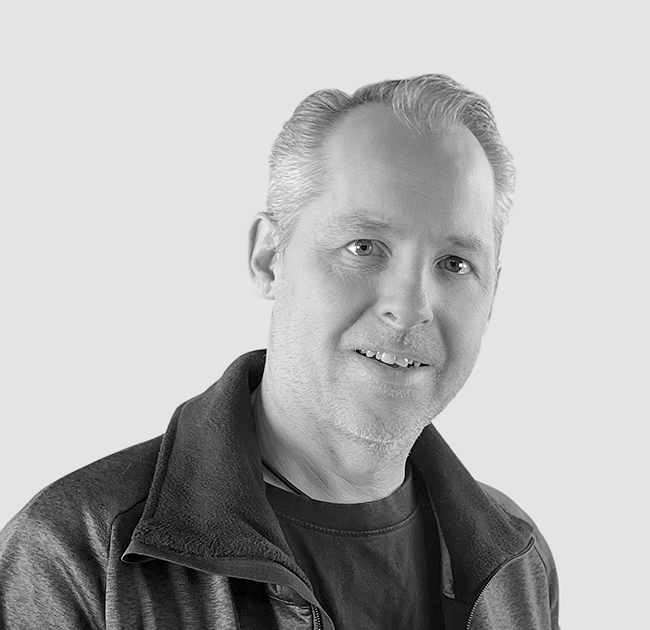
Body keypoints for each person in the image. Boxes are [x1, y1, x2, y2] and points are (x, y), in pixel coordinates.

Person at [0, 75, 560, 629]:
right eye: (363, 247)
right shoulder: (74, 558)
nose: (410, 308)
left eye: (456, 264)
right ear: (269, 258)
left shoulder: (518, 563)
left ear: (492, 298)